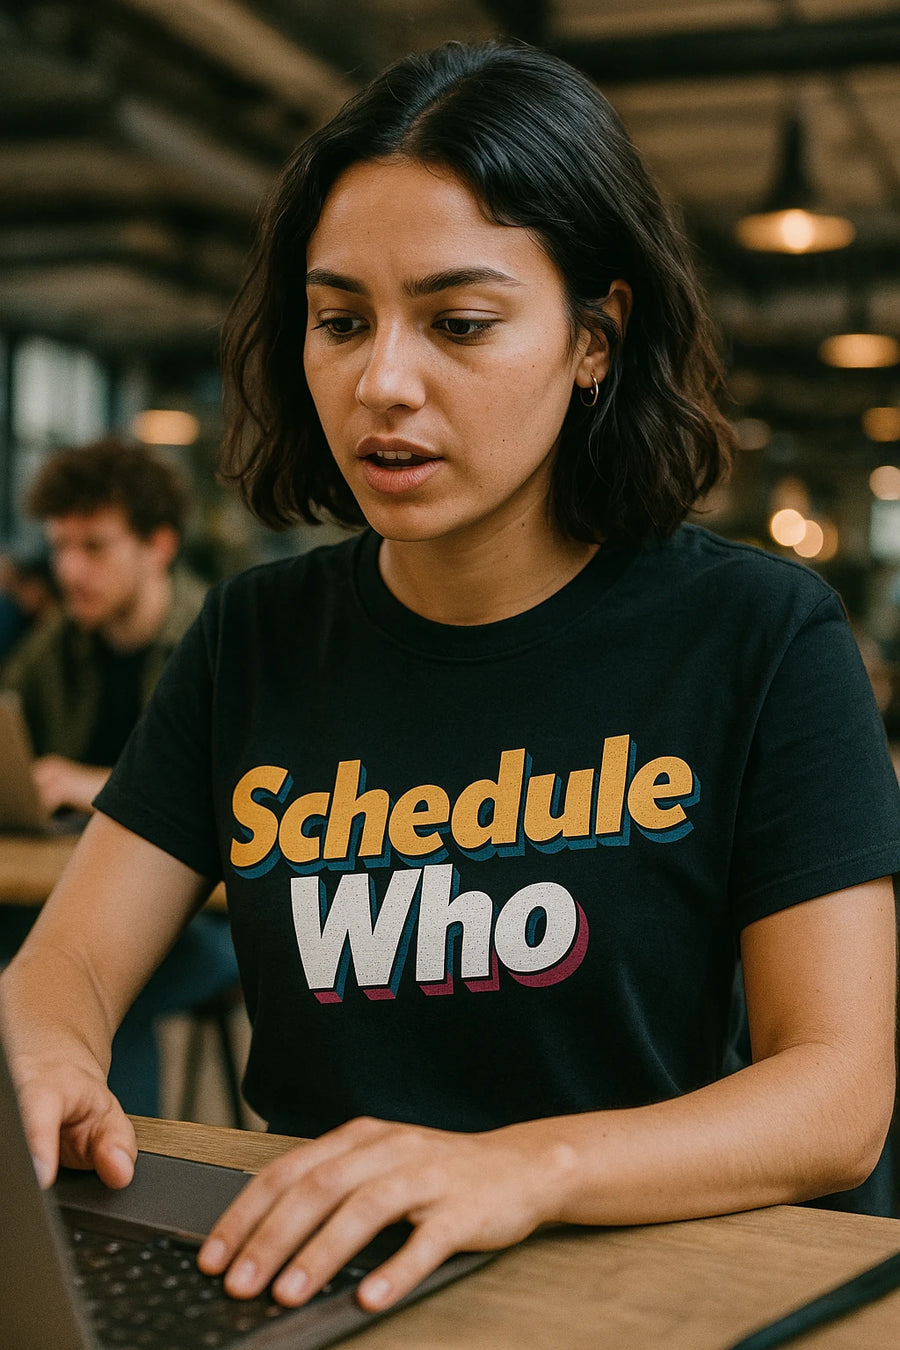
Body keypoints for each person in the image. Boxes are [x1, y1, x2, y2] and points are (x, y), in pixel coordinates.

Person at [1, 40, 898, 1317]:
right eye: (340, 320)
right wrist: (41, 1056)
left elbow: (838, 1097)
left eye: (460, 322)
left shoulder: (760, 635)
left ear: (597, 338)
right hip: (301, 1273)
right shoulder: (255, 637)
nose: (382, 382)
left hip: (627, 1279)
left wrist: (517, 1168)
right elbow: (68, 967)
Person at [0, 437, 238, 1114]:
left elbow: (241, 798)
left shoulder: (220, 639)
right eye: (61, 547)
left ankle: (110, 1189)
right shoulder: (60, 641)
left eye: (95, 548)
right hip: (67, 895)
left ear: (158, 545)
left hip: (215, 923)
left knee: (102, 983)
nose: (70, 570)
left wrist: (89, 783)